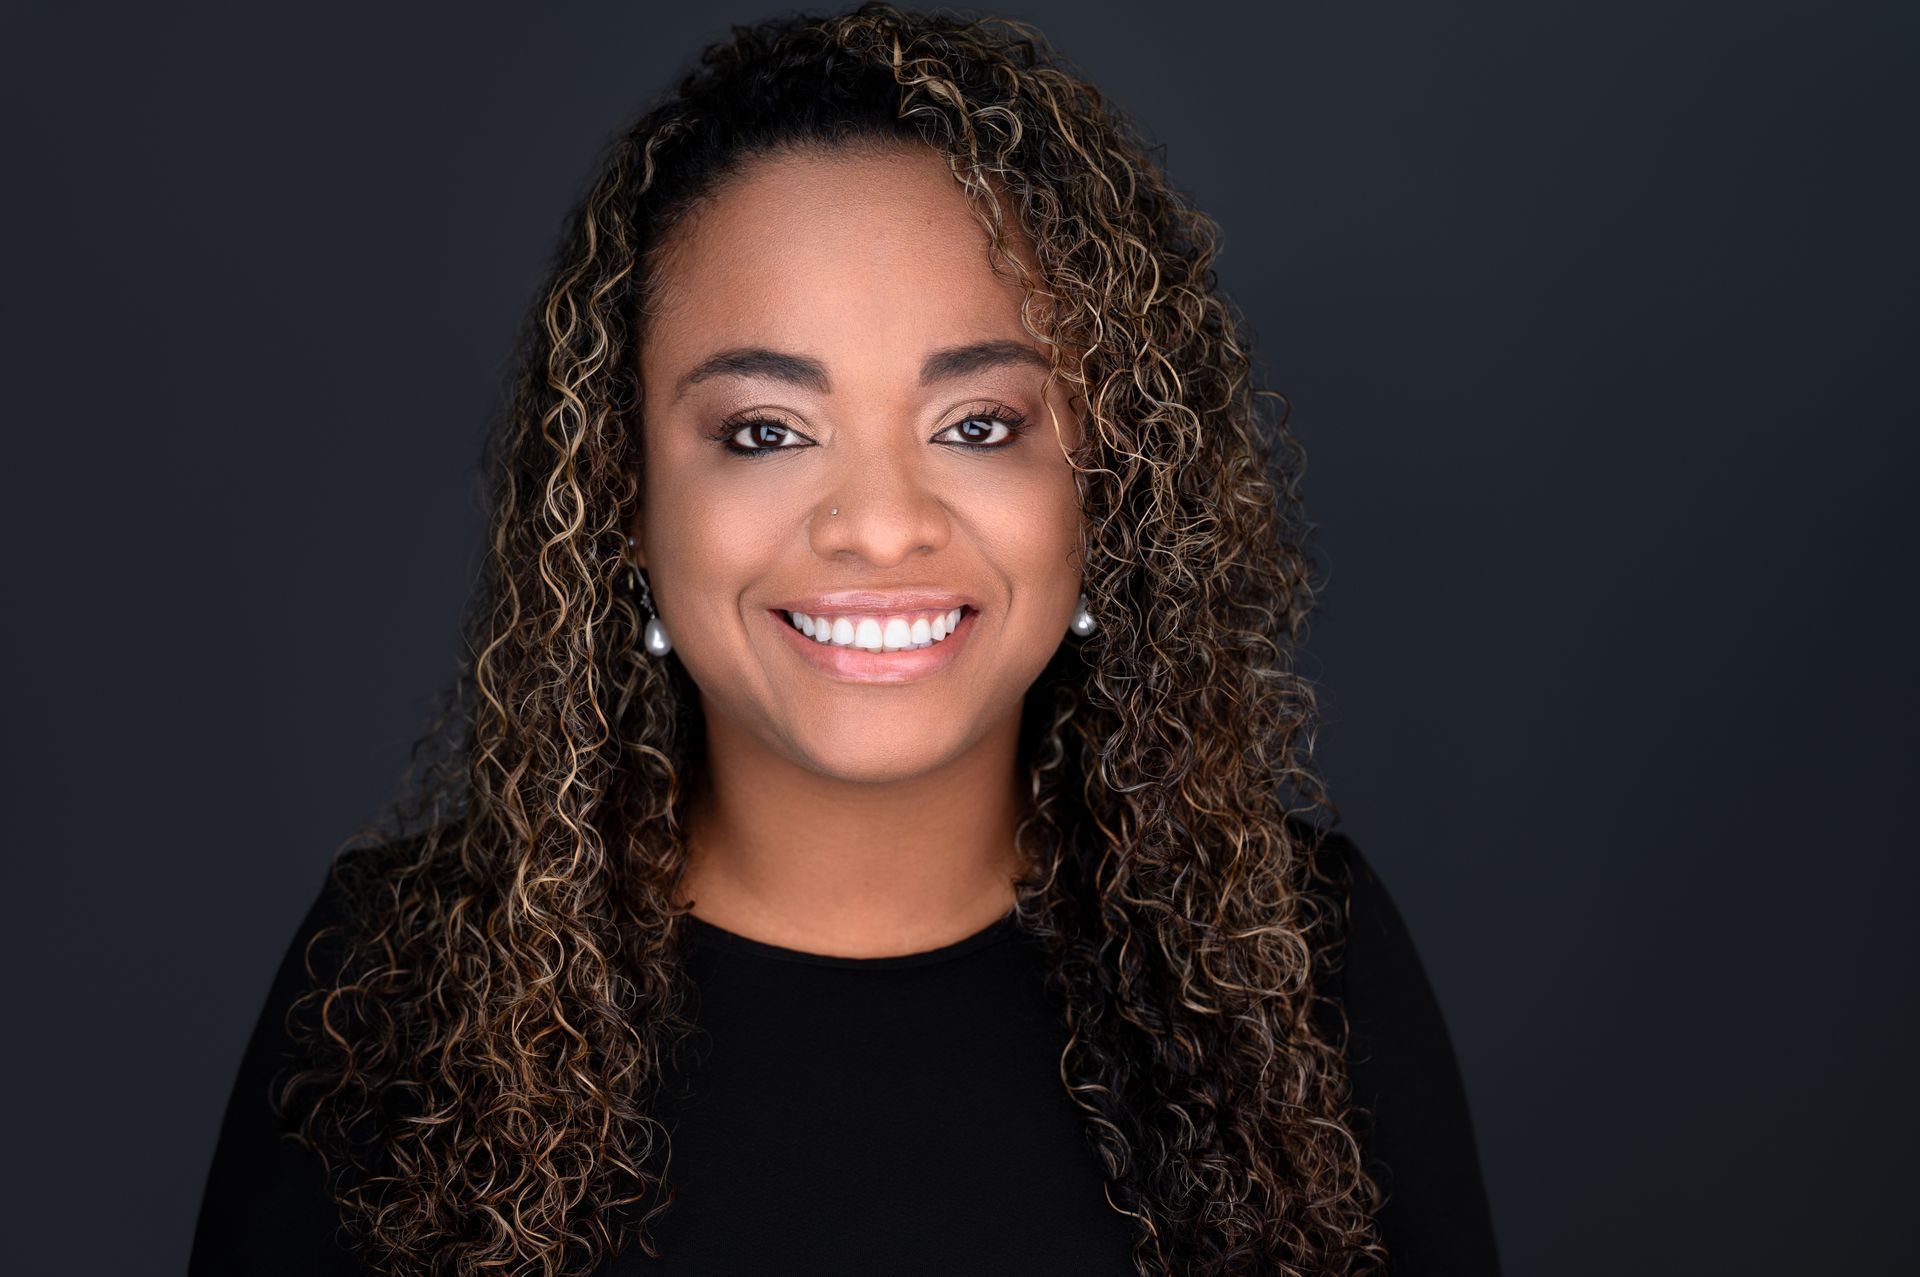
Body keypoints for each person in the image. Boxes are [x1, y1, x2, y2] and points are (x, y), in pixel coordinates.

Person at [189, 4, 1499, 1274]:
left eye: (980, 424)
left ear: (1108, 487)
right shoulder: (395, 991)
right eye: (765, 430)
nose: (879, 525)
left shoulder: (1299, 970)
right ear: (622, 494)